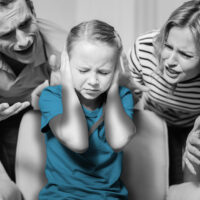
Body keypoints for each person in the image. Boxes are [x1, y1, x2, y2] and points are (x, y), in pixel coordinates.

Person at [33, 19, 135, 199]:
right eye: (83, 70)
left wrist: (113, 86)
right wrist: (66, 82)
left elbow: (118, 141)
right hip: (60, 196)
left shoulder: (122, 97)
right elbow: (78, 142)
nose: (94, 81)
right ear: (67, 62)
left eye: (104, 72)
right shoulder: (52, 96)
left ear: (116, 68)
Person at [128, 0, 200, 191]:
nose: (170, 61)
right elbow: (131, 97)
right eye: (168, 46)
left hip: (191, 126)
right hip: (152, 120)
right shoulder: (144, 49)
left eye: (185, 55)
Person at [0, 0, 66, 199]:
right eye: (6, 34)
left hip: (37, 114)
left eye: (25, 23)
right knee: (7, 193)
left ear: (34, 12)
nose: (23, 40)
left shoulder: (63, 46)